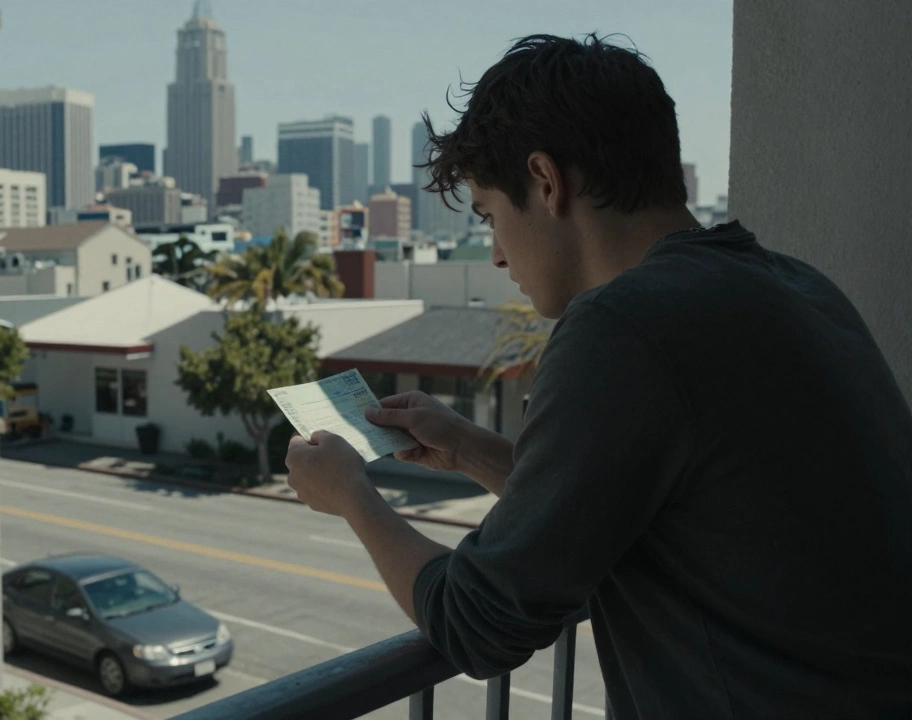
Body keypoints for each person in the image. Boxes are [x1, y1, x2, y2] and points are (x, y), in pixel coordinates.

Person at [284, 34, 912, 719]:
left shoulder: (624, 327)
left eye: (492, 216)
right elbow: (639, 501)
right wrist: (467, 448)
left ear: (546, 182)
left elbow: (478, 623)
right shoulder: (789, 285)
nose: (495, 255)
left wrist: (352, 496)